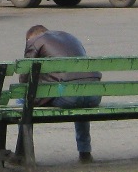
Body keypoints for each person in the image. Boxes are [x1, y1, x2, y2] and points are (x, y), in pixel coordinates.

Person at [18, 25, 102, 163]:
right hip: (93, 95)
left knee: (23, 102)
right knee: (79, 99)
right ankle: (85, 151)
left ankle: (23, 153)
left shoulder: (35, 41)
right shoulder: (71, 37)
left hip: (69, 98)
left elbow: (25, 77)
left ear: (31, 37)